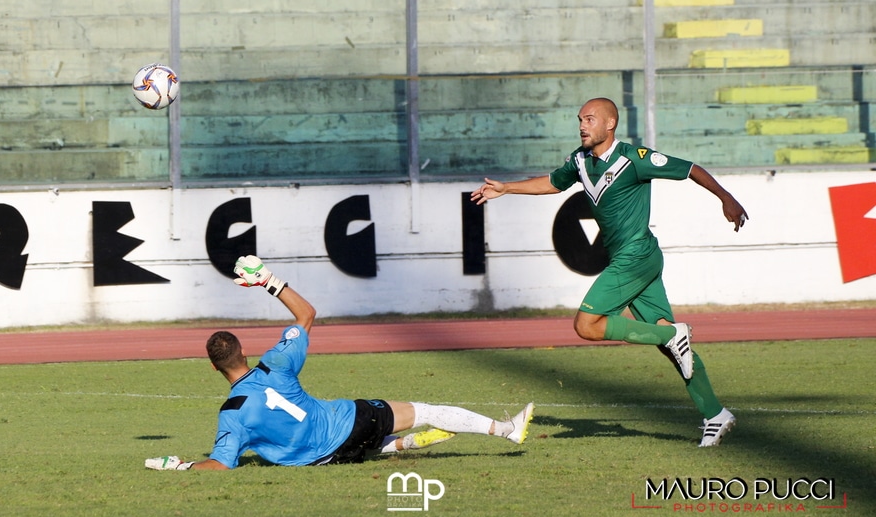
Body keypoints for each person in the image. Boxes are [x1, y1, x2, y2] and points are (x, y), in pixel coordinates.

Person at [470, 97, 748, 448]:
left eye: (589, 119)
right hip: (630, 259)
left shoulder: (635, 159)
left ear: (610, 124)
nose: (582, 125)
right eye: (579, 120)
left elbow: (690, 168)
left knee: (587, 325)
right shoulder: (580, 160)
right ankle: (715, 414)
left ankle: (672, 337)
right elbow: (554, 182)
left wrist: (726, 197)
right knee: (671, 342)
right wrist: (507, 188)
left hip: (636, 255)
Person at [146, 255, 535, 471]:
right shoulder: (275, 364)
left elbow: (220, 466)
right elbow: (307, 315)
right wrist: (266, 279)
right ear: (243, 353)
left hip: (325, 460)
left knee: (363, 446)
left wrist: (179, 466)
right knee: (424, 410)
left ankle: (403, 444)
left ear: (214, 367)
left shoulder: (230, 415)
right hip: (350, 422)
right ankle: (505, 430)